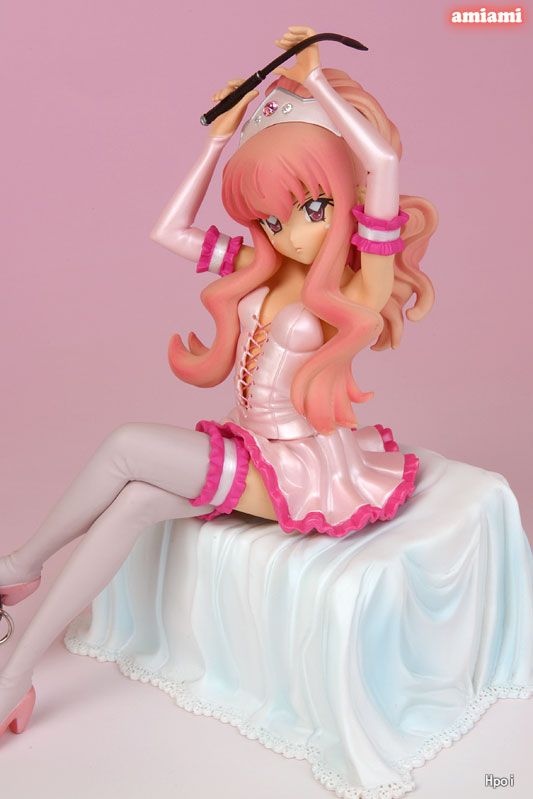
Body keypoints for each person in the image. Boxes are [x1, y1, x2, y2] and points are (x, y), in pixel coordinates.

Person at [0, 25, 437, 739]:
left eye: (312, 207)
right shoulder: (261, 266)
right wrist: (218, 139)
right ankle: (15, 674)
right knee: (134, 504)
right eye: (272, 217)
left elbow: (383, 161)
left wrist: (314, 79)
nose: (292, 232)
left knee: (127, 444)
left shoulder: (359, 286)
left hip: (298, 471)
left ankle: (17, 569)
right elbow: (169, 231)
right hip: (252, 447)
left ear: (345, 197)